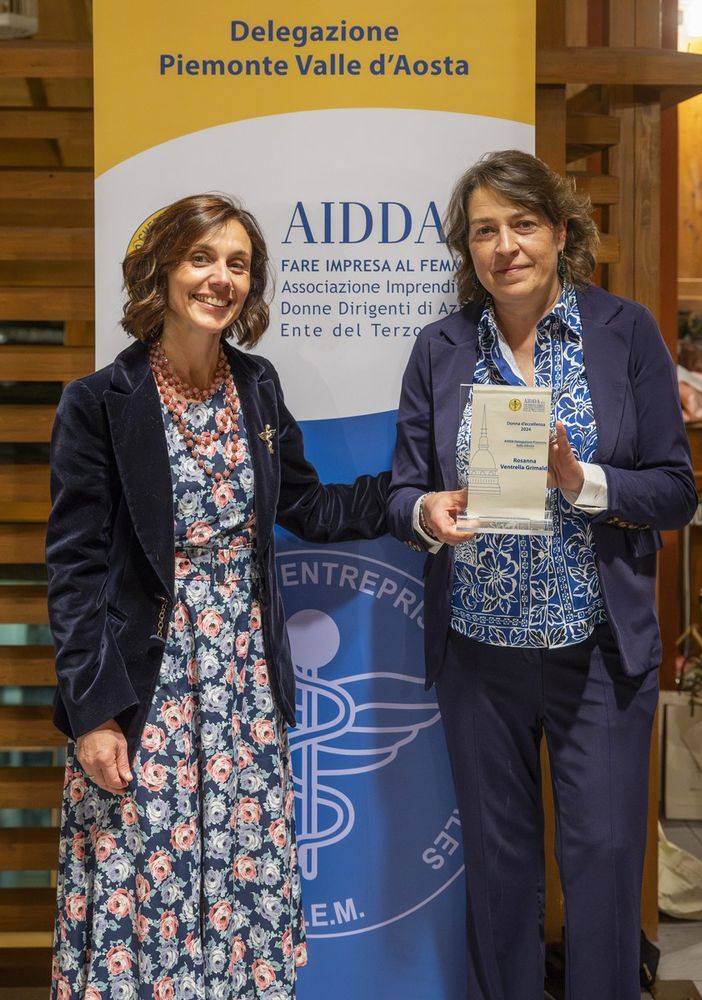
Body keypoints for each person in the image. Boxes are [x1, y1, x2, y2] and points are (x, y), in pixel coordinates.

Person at [47, 193, 388, 999]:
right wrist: (93, 714)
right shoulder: (98, 402)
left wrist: (414, 501)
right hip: (147, 689)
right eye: (202, 258)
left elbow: (309, 505)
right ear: (163, 271)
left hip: (243, 686)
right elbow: (75, 569)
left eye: (238, 264)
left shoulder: (257, 386)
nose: (220, 279)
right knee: (147, 887)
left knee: (242, 882)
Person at [387, 150, 697, 1000]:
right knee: (498, 868)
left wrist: (581, 481)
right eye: (485, 230)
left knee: (604, 862)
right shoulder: (440, 348)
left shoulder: (625, 331)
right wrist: (428, 513)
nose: (505, 246)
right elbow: (402, 490)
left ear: (562, 232)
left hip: (598, 651)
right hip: (479, 652)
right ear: (468, 248)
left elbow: (675, 490)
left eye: (523, 224)